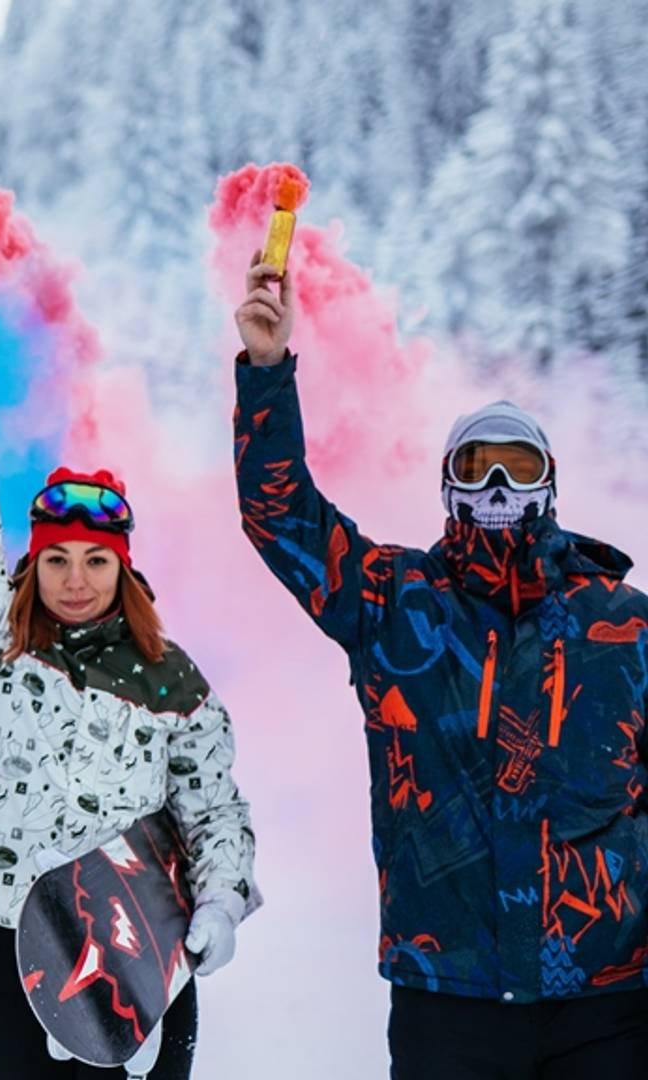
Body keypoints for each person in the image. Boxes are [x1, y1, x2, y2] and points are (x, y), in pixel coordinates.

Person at [232, 253, 648, 1075]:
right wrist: (267, 372)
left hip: (610, 997)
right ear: (447, 485)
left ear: (551, 487)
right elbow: (282, 519)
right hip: (448, 995)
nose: (497, 485)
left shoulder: (624, 625)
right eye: (477, 464)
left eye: (519, 466)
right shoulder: (393, 602)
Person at [0, 272, 258, 1079]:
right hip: (9, 944)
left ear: (124, 568)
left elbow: (213, 806)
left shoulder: (169, 677)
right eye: (58, 560)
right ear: (33, 566)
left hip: (138, 952)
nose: (76, 579)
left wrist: (218, 898)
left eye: (96, 561)